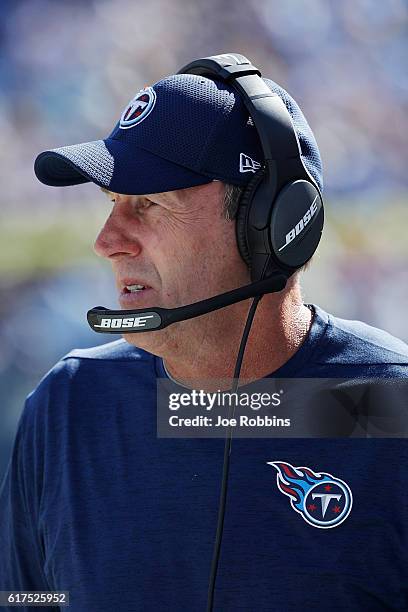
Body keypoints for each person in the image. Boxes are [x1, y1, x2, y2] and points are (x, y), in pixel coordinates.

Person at [0, 54, 407, 612]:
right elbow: (27, 600)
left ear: (267, 226)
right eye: (114, 202)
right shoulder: (69, 406)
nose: (108, 239)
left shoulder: (390, 406)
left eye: (148, 203)